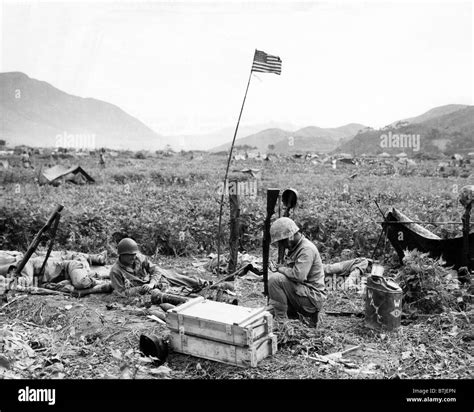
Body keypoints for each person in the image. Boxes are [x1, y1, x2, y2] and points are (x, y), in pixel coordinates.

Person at [268, 217, 326, 327]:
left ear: (290, 236)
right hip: (302, 292)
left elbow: (298, 276)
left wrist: (280, 268)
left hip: (312, 299)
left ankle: (282, 323)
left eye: (282, 241)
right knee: (267, 311)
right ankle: (285, 315)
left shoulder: (306, 249)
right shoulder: (295, 248)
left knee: (275, 279)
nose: (282, 245)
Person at [109, 238, 209, 297]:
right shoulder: (115, 271)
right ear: (121, 255)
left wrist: (152, 283)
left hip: (154, 281)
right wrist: (142, 288)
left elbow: (156, 270)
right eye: (129, 255)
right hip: (144, 290)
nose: (133, 257)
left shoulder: (139, 258)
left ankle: (204, 284)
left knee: (177, 277)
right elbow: (121, 293)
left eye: (134, 254)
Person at [0, 249, 109, 294]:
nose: (10, 275)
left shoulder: (25, 263)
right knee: (69, 290)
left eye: (10, 273)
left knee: (80, 283)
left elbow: (26, 281)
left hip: (70, 267)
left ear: (13, 268)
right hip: (65, 277)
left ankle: (96, 282)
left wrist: (8, 282)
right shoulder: (26, 273)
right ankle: (101, 283)